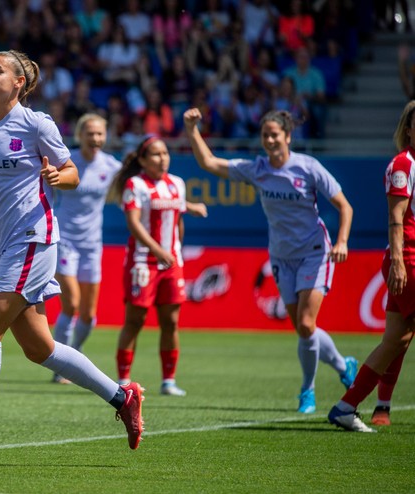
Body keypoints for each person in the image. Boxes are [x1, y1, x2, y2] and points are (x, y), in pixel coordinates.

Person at [0, 50, 145, 463]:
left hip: (33, 239)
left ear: (18, 82)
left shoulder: (36, 123)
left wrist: (60, 176)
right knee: (40, 349)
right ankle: (122, 397)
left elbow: (71, 171)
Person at [183, 107, 357, 414]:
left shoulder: (308, 167)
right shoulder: (257, 169)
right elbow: (209, 162)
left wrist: (342, 241)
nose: (270, 140)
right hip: (281, 256)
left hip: (314, 252)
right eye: (265, 135)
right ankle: (344, 366)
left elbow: (345, 206)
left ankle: (307, 391)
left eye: (275, 134)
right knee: (303, 328)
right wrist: (191, 129)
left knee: (306, 324)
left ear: (288, 137)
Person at [328, 101, 415, 432]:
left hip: (406, 260)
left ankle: (346, 406)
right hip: (409, 259)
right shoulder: (403, 164)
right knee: (398, 339)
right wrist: (399, 262)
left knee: (396, 340)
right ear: (408, 129)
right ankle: (354, 406)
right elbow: (396, 218)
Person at [106, 134, 208, 397]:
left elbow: (178, 220)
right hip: (142, 262)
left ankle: (169, 381)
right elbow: (133, 222)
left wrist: (176, 251)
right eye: (156, 154)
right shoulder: (135, 184)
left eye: (165, 153)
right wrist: (156, 249)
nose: (162, 159)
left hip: (171, 262)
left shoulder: (177, 183)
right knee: (135, 320)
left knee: (171, 321)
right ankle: (123, 381)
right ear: (142, 160)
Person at [50, 113, 121, 384]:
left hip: (92, 245)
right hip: (64, 239)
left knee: (89, 314)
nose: (95, 138)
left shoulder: (111, 166)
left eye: (100, 133)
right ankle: (61, 365)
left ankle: (75, 353)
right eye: (90, 133)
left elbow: (137, 187)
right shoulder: (67, 162)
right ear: (80, 136)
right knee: (71, 304)